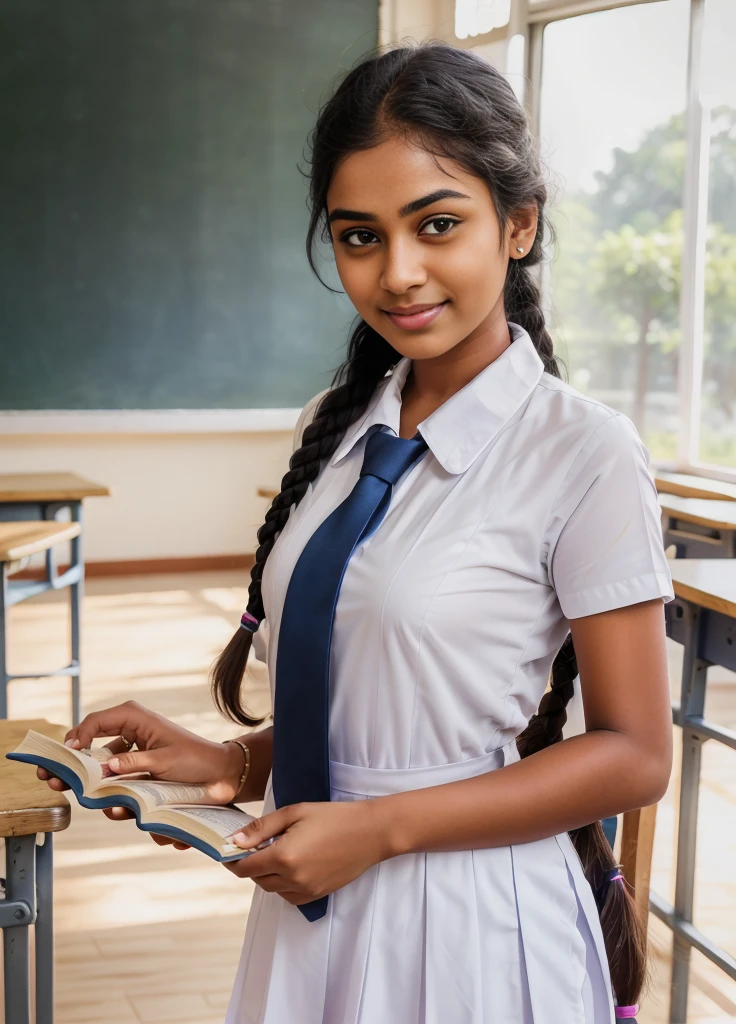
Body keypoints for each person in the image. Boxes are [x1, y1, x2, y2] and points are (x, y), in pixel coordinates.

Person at [41, 41, 675, 1023]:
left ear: (518, 226)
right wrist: (233, 762)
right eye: (359, 236)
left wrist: (379, 829)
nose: (400, 273)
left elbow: (635, 754)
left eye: (437, 224)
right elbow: (388, 708)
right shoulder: (333, 424)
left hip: (471, 921)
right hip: (311, 905)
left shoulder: (583, 451)